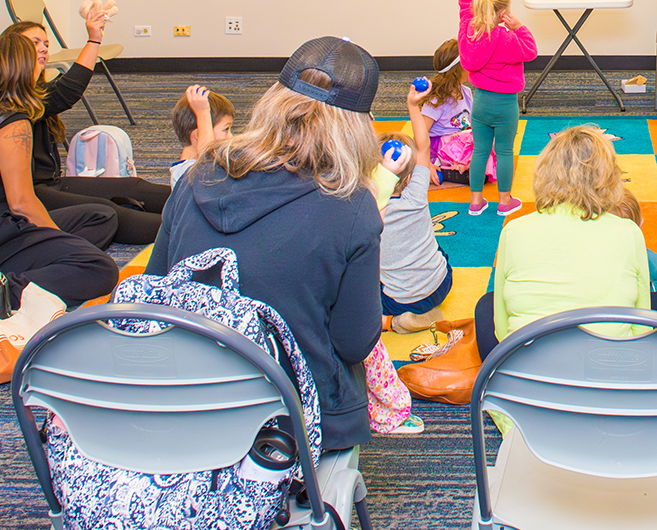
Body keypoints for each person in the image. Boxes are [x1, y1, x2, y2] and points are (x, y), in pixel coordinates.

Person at [146, 36, 384, 451]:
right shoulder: (352, 204)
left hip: (183, 397)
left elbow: (155, 290)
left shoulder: (196, 175)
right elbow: (354, 341)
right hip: (287, 422)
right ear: (358, 127)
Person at [0, 34, 119, 308]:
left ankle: (37, 265)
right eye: (36, 58)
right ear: (23, 70)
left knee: (101, 215)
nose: (42, 61)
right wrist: (56, 236)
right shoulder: (14, 124)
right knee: (100, 268)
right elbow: (21, 203)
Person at [473, 125, 652, 358]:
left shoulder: (513, 229)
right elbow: (642, 329)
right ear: (609, 177)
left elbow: (502, 330)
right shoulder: (629, 231)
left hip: (527, 376)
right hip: (609, 375)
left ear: (544, 172)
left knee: (487, 304)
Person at [1, 19, 172, 244]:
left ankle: (211, 207)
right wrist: (93, 40)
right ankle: (189, 232)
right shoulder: (11, 100)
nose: (43, 48)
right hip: (28, 193)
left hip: (51, 183)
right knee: (107, 210)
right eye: (34, 43)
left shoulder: (34, 90)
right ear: (13, 51)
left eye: (45, 43)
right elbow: (68, 90)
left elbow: (63, 91)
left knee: (135, 187)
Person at [458, 0, 537, 217]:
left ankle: (475, 201)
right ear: (503, 12)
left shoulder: (467, 29)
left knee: (480, 151)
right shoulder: (506, 38)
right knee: (503, 151)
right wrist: (519, 27)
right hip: (505, 105)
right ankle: (504, 201)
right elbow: (531, 51)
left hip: (479, 103)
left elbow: (463, 6)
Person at [377, 81, 454, 333]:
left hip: (399, 302)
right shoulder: (417, 193)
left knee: (346, 292)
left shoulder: (364, 208)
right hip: (441, 285)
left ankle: (391, 323)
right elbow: (423, 147)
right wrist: (413, 104)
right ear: (409, 177)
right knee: (437, 251)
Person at [612, 191, 657, 316]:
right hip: (634, 312)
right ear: (640, 224)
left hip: (601, 310)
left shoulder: (592, 250)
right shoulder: (641, 256)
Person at [413, 38, 474, 185]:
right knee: (477, 176)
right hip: (443, 150)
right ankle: (436, 168)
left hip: (461, 144)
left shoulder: (466, 92)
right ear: (459, 68)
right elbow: (419, 135)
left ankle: (464, 167)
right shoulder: (437, 100)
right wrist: (425, 163)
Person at [169, 85, 234, 186]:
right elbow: (207, 166)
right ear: (199, 135)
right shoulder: (185, 173)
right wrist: (203, 113)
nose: (230, 137)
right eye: (226, 129)